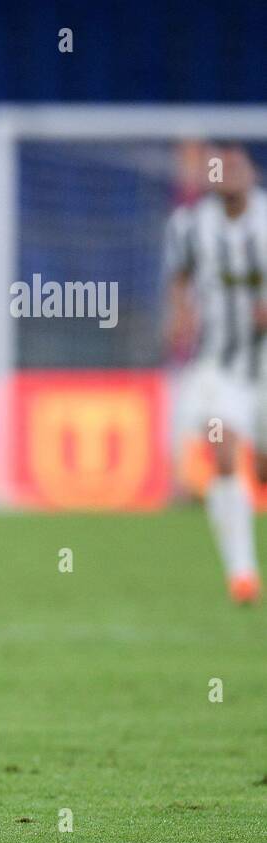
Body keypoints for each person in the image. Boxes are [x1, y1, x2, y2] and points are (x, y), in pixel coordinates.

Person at [164, 143, 267, 604]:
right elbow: (180, 277)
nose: (229, 174)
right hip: (220, 364)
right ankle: (242, 572)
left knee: (261, 472)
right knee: (222, 449)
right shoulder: (189, 227)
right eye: (219, 168)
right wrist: (181, 314)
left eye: (236, 166)